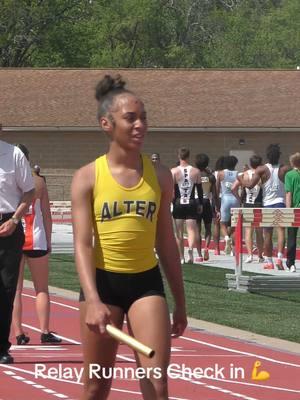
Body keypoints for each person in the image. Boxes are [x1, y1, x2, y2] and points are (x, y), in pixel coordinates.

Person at [71, 74, 187, 400]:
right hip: (102, 284)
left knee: (157, 383)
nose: (140, 125)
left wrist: (180, 302)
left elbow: (166, 242)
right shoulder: (87, 177)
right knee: (96, 386)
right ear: (107, 124)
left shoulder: (161, 177)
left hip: (145, 284)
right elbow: (82, 243)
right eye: (130, 118)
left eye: (144, 118)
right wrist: (92, 300)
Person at [12, 144, 62, 345]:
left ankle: (18, 333)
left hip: (13, 239)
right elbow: (47, 215)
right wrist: (49, 240)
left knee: (15, 290)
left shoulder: (6, 181)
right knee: (41, 289)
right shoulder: (38, 182)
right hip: (36, 239)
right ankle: (44, 331)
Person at [0, 132, 35, 364]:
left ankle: (2, 346)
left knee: (6, 288)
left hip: (8, 225)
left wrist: (14, 220)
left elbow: (29, 191)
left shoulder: (14, 154)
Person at [240, 144, 290, 270]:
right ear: (279, 155)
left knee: (267, 233)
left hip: (267, 204)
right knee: (281, 231)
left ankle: (269, 261)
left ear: (267, 156)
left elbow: (250, 185)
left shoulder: (261, 169)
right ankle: (279, 257)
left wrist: (241, 180)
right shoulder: (285, 169)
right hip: (280, 202)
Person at [171, 147, 203, 264]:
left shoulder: (174, 171)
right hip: (191, 202)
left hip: (179, 203)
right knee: (191, 230)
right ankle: (190, 249)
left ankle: (181, 257)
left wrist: (171, 203)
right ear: (188, 157)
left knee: (179, 232)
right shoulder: (196, 171)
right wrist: (200, 203)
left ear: (178, 156)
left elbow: (171, 190)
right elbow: (199, 190)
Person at [232, 155, 264, 263]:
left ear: (250, 164)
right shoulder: (261, 175)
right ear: (260, 164)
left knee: (248, 231)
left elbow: (233, 188)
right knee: (259, 231)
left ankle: (250, 255)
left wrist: (239, 199)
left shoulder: (244, 175)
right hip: (259, 203)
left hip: (247, 204)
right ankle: (260, 255)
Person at [195, 153, 219, 261]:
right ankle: (206, 248)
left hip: (196, 202)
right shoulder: (211, 177)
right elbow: (215, 195)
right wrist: (217, 208)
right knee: (208, 228)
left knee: (198, 229)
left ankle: (199, 255)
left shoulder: (194, 175)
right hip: (206, 202)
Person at [216, 155, 240, 255]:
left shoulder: (220, 174)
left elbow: (217, 190)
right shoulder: (238, 174)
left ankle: (226, 239)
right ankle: (233, 250)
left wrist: (217, 203)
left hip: (225, 199)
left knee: (222, 223)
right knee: (234, 224)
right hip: (235, 199)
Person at [284, 152, 300, 273]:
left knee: (292, 237)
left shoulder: (289, 175)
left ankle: (291, 263)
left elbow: (288, 193)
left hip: (294, 209)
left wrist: (288, 209)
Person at [212, 156, 225, 255]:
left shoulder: (213, 174)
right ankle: (230, 246)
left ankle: (216, 248)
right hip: (225, 198)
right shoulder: (226, 174)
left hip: (216, 198)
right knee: (227, 223)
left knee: (216, 224)